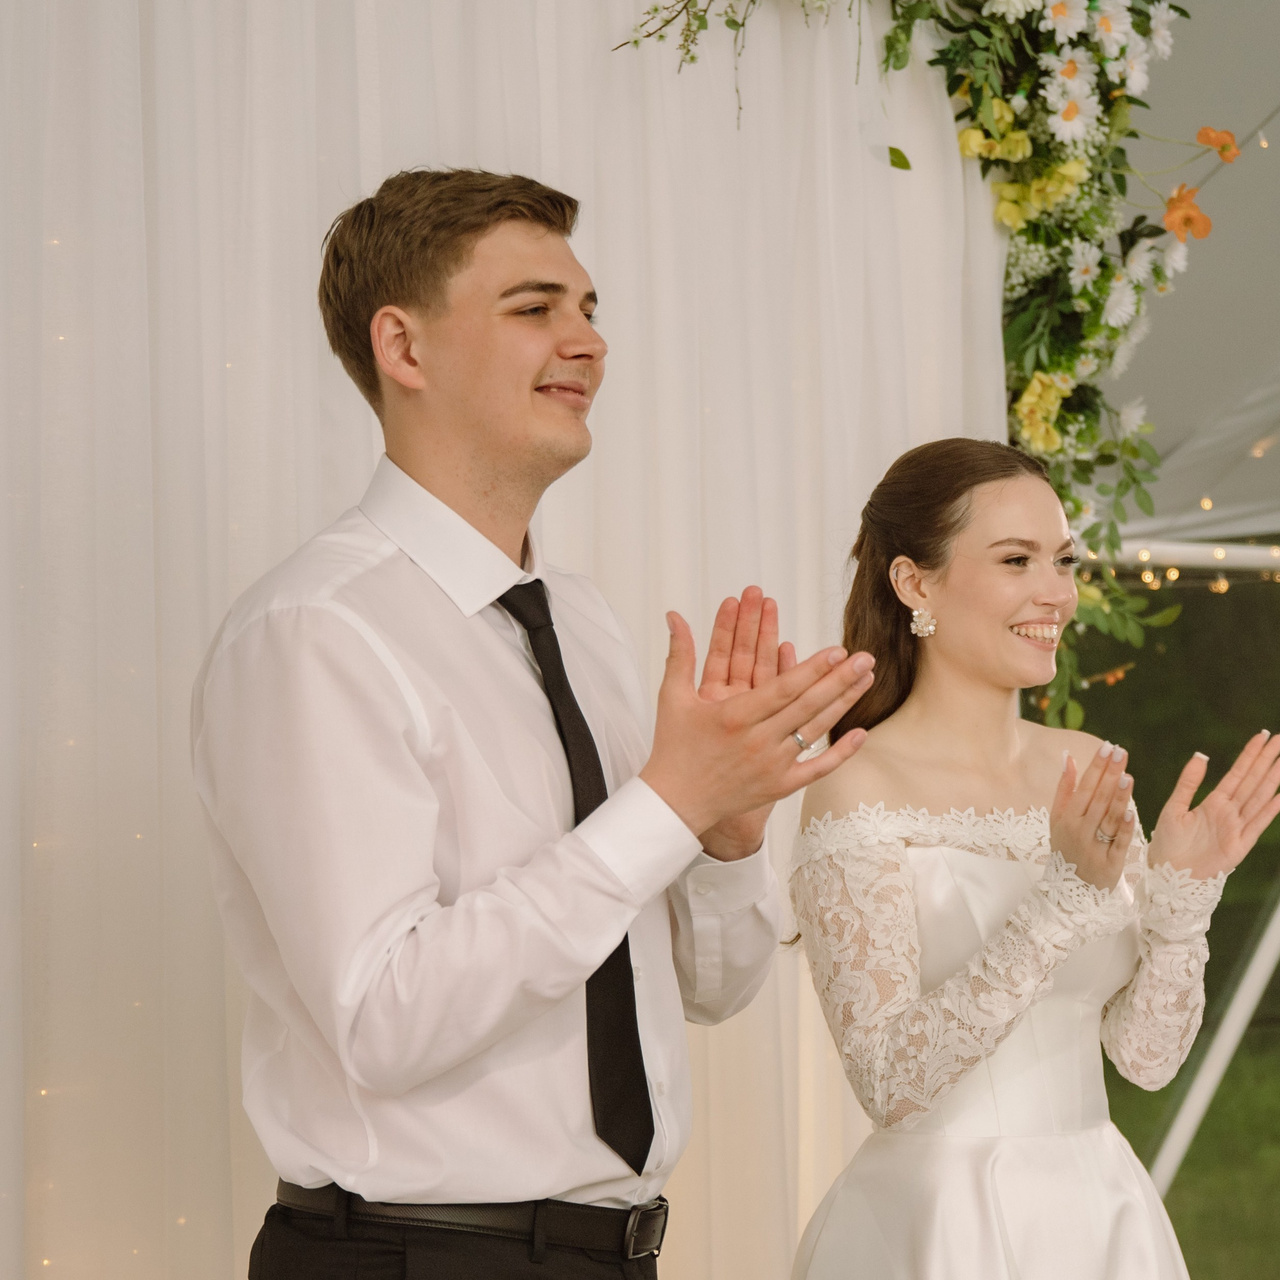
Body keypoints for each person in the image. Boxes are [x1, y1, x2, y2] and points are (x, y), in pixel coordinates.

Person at [192, 168, 875, 1279]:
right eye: (535, 307)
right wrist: (665, 805)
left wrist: (721, 835)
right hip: (412, 1259)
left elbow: (713, 989)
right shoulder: (316, 631)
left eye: (589, 308)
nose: (588, 342)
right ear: (404, 348)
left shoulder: (584, 625)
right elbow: (385, 1017)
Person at [787, 438, 1280, 1279]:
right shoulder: (855, 783)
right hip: (941, 1225)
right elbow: (887, 1082)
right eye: (1016, 560)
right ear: (914, 583)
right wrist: (1058, 902)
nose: (1056, 592)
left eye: (1063, 560)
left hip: (1101, 1215)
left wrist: (1183, 900)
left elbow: (1145, 1059)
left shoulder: (1087, 764)